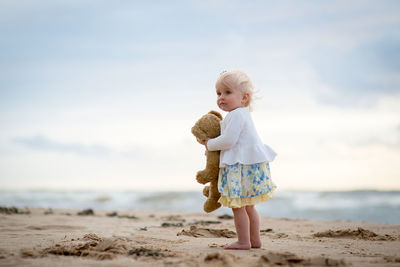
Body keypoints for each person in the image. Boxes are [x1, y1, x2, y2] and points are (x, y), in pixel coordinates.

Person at [204, 70, 277, 250]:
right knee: (249, 206)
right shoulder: (240, 114)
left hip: (240, 166)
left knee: (238, 207)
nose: (221, 97)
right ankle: (255, 240)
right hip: (250, 165)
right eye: (218, 93)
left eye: (227, 92)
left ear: (244, 98)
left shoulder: (237, 115)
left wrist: (209, 144)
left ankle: (244, 241)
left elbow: (229, 140)